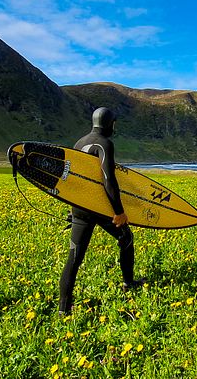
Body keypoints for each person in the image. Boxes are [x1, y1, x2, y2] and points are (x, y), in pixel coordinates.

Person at [59, 107, 144, 315]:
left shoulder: (79, 143)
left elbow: (72, 179)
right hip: (99, 207)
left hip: (80, 207)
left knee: (75, 257)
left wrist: (73, 210)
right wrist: (119, 211)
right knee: (126, 237)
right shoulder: (104, 144)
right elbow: (108, 180)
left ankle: (63, 309)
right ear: (110, 124)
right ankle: (128, 282)